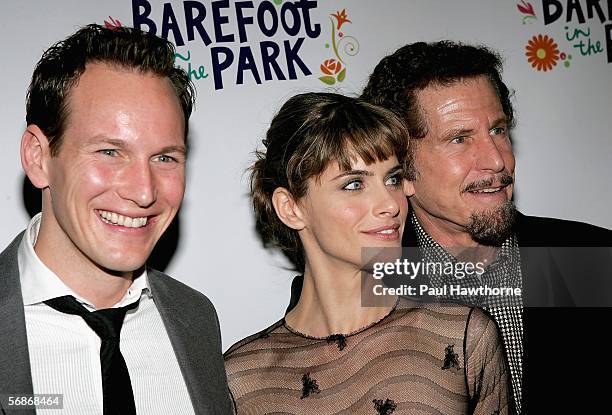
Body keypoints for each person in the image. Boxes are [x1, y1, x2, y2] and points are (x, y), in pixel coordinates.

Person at [288, 41, 612, 412]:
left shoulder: (593, 258)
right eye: (460, 139)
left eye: (499, 130)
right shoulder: (356, 288)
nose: (496, 160)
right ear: (402, 163)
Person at [224, 92, 513, 414]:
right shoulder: (240, 379)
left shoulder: (461, 336)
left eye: (392, 179)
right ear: (290, 208)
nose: (391, 204)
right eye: (354, 184)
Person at [0, 25, 232, 414]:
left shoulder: (195, 319)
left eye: (164, 158)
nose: (144, 192)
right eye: (110, 152)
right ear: (39, 157)